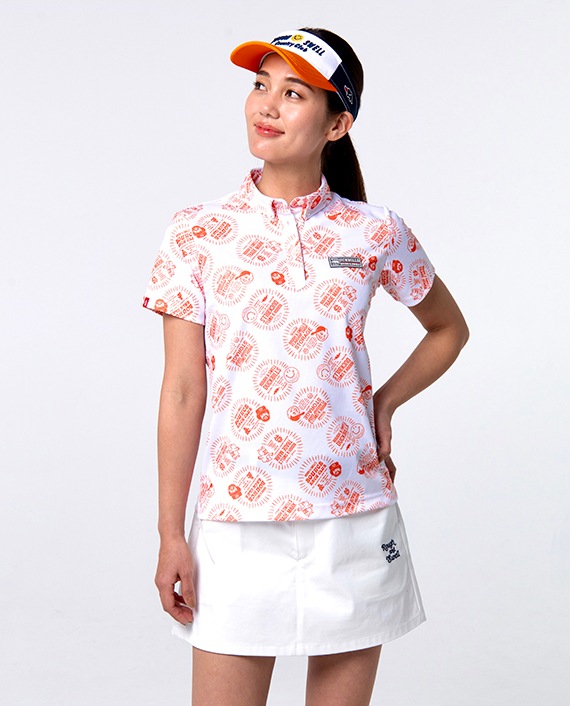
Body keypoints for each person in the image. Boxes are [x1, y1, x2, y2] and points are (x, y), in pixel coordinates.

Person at [142, 27, 469, 706]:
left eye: (293, 93)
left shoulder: (376, 230)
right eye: (260, 85)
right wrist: (172, 532)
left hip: (354, 516)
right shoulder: (196, 232)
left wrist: (383, 403)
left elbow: (448, 329)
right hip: (235, 523)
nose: (266, 104)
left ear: (337, 124)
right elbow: (181, 392)